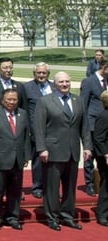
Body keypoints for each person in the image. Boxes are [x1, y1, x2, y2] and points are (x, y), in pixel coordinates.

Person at [34, 71, 92, 230]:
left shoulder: (78, 100)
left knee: (70, 187)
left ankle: (67, 215)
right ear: (55, 84)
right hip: (52, 151)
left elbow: (84, 127)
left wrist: (87, 146)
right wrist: (42, 149)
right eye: (61, 82)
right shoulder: (45, 101)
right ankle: (52, 217)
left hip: (73, 151)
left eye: (67, 81)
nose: (65, 84)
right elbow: (39, 127)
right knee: (52, 188)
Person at [0, 89, 30, 230]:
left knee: (15, 191)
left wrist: (26, 155)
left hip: (17, 159)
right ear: (2, 100)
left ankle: (12, 217)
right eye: (9, 99)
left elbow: (26, 136)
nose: (12, 102)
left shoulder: (22, 114)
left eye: (14, 99)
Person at [23, 62, 53, 199]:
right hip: (36, 129)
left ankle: (51, 187)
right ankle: (37, 186)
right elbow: (23, 110)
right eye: (38, 73)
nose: (41, 75)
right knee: (38, 160)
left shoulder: (54, 87)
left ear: (48, 74)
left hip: (53, 129)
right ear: (34, 74)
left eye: (44, 73)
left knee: (54, 160)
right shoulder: (27, 88)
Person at [80, 59, 108, 196]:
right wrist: (84, 126)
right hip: (92, 125)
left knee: (103, 155)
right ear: (104, 67)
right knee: (89, 156)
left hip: (105, 126)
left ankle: (102, 183)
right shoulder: (89, 82)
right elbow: (83, 105)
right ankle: (90, 183)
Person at [90, 90, 108, 226]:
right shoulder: (104, 115)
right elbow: (98, 138)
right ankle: (103, 214)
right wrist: (106, 154)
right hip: (105, 156)